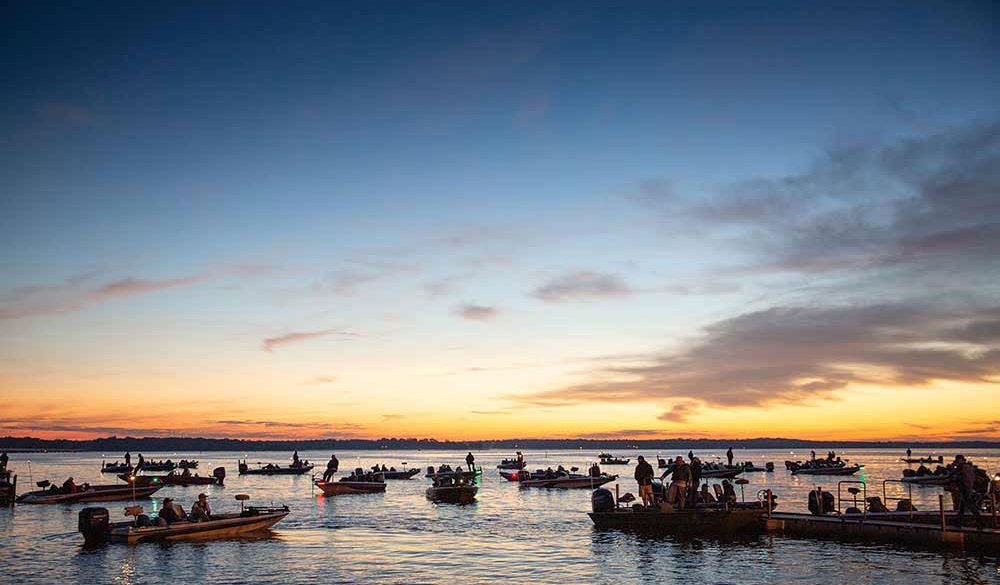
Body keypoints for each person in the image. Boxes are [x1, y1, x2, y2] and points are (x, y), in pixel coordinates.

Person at [951, 455, 982, 528]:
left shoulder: (961, 467)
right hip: (969, 487)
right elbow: (972, 477)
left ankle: (979, 519)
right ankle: (958, 521)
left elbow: (956, 476)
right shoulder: (969, 467)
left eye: (957, 460)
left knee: (969, 504)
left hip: (964, 488)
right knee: (962, 506)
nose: (957, 461)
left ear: (960, 459)